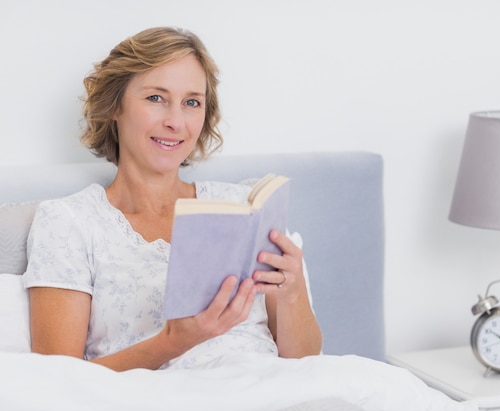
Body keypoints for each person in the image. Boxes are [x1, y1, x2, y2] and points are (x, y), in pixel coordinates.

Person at [23, 26, 322, 372]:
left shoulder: (242, 207)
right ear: (113, 105)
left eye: (191, 102)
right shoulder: (68, 222)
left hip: (277, 393)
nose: (176, 122)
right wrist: (174, 341)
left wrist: (293, 292)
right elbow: (57, 382)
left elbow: (307, 364)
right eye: (156, 98)